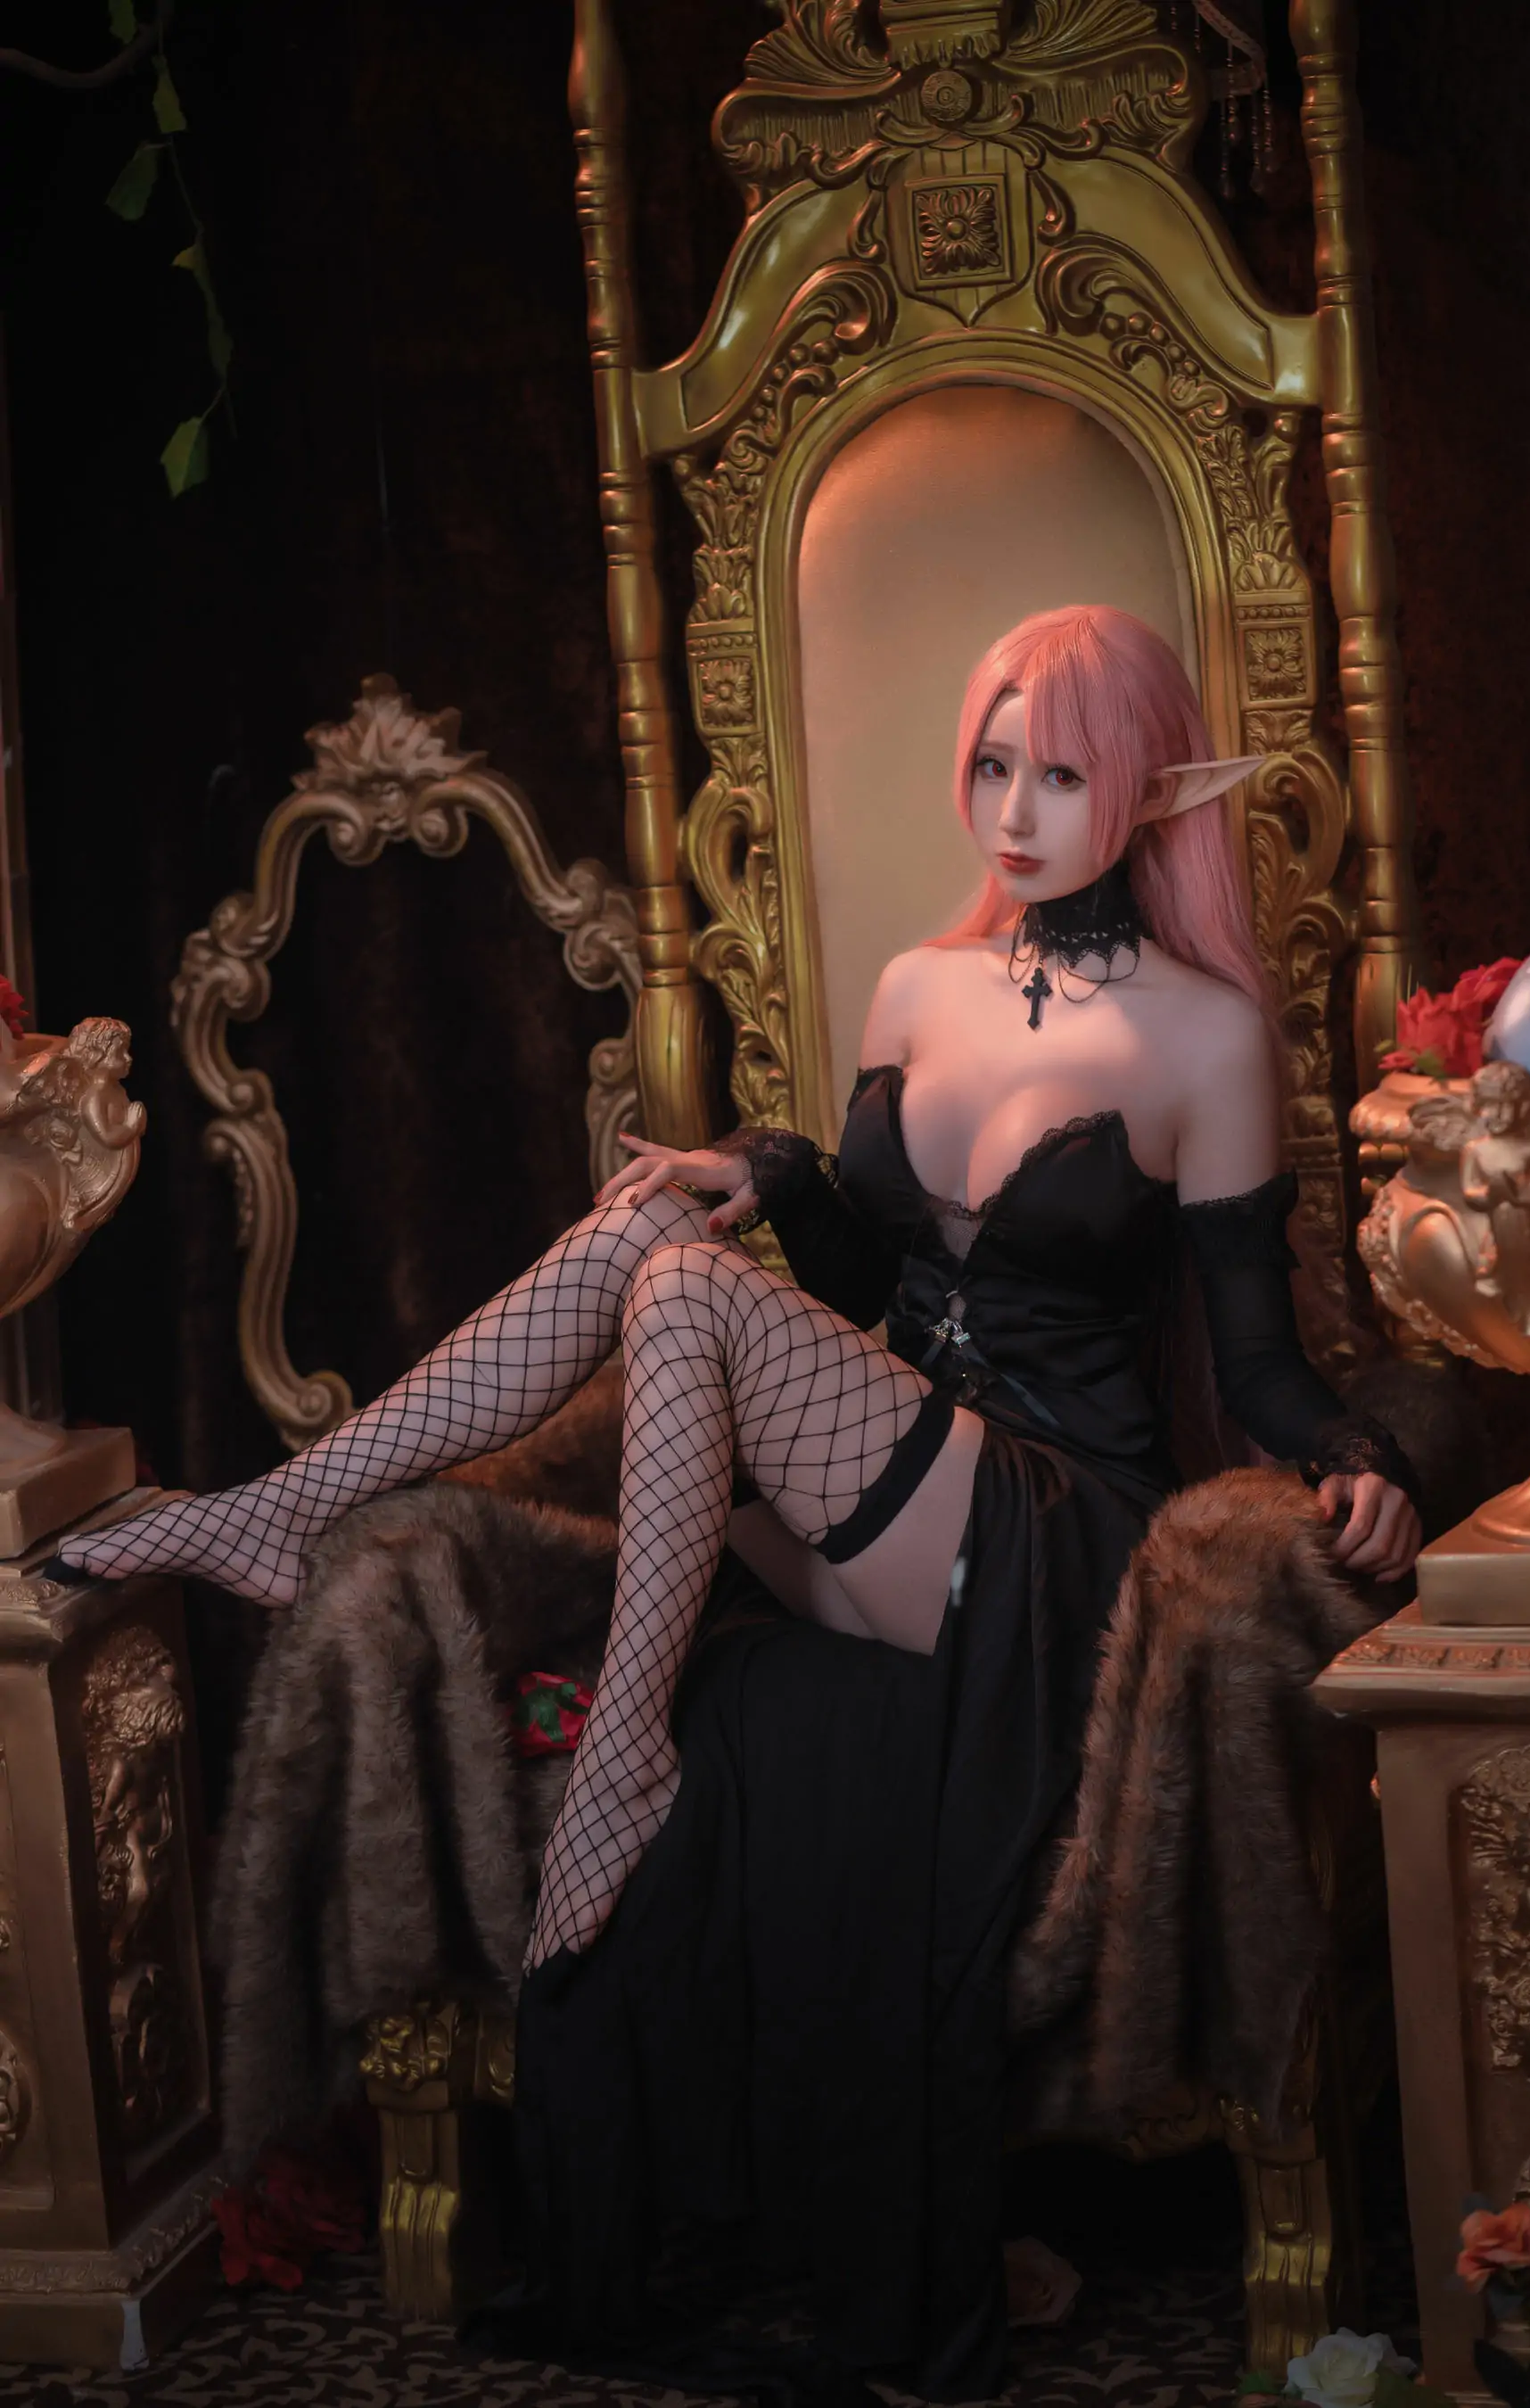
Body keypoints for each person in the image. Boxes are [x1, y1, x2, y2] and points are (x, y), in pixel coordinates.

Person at [58, 605, 1421, 2395]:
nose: (1012, 810)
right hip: (890, 1497)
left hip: (1042, 1549)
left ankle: (604, 1738)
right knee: (651, 1230)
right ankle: (275, 1509)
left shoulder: (1212, 1039)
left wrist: (1363, 1461)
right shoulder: (920, 986)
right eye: (991, 763)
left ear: (1149, 785)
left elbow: (1259, 1361)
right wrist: (769, 1170)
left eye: (1061, 773)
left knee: (691, 1292)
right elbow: (874, 1287)